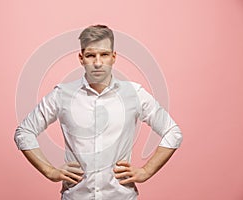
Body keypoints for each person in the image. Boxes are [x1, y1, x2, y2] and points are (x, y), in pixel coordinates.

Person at [14, 24, 183, 200]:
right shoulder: (62, 95)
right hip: (76, 196)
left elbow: (173, 132)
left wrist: (147, 171)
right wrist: (49, 171)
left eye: (104, 54)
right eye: (90, 55)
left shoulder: (135, 94)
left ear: (113, 56)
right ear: (81, 58)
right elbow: (24, 132)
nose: (97, 63)